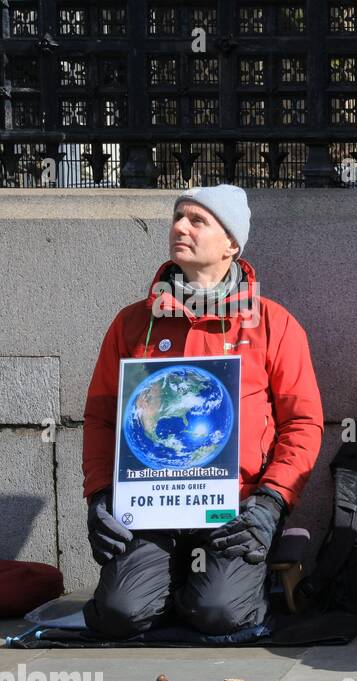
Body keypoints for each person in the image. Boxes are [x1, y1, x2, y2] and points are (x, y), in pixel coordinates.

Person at [82, 184, 324, 637]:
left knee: (220, 616)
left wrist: (272, 502)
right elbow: (100, 416)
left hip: (236, 505)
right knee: (118, 615)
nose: (179, 227)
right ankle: (167, 582)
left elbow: (303, 423)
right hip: (150, 505)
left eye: (197, 220)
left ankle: (224, 582)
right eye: (177, 217)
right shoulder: (133, 323)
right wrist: (99, 495)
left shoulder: (273, 323)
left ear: (231, 243)